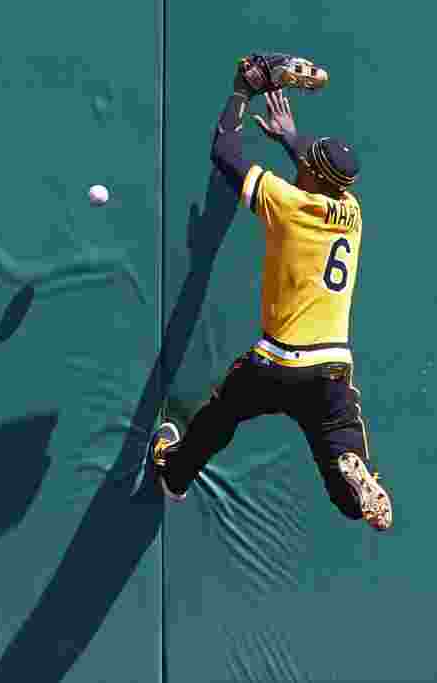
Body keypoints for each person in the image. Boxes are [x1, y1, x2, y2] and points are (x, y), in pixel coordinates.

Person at [147, 63, 394, 531]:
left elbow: (224, 150)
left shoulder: (288, 203)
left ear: (309, 174)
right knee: (342, 471)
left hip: (277, 362)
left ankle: (173, 474)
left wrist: (240, 91)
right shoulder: (351, 212)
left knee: (221, 416)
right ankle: (353, 475)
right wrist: (291, 138)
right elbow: (318, 170)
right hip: (332, 369)